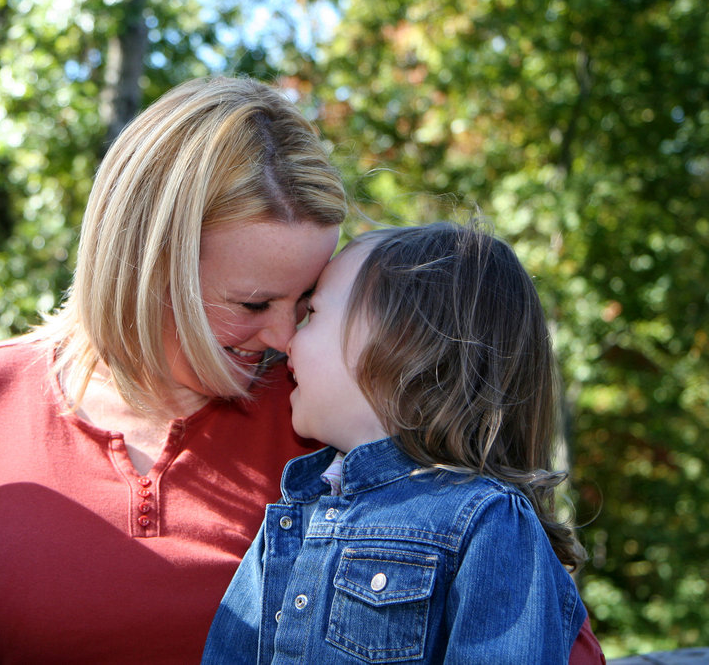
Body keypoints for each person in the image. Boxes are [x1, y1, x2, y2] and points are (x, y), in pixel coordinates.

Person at [0, 75, 348, 663]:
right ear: (146, 266)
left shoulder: (326, 417)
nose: (286, 339)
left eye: (307, 299)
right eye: (253, 304)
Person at [202, 221, 605, 663]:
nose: (287, 342)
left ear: (401, 342)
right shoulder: (296, 510)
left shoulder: (486, 522)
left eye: (312, 314)